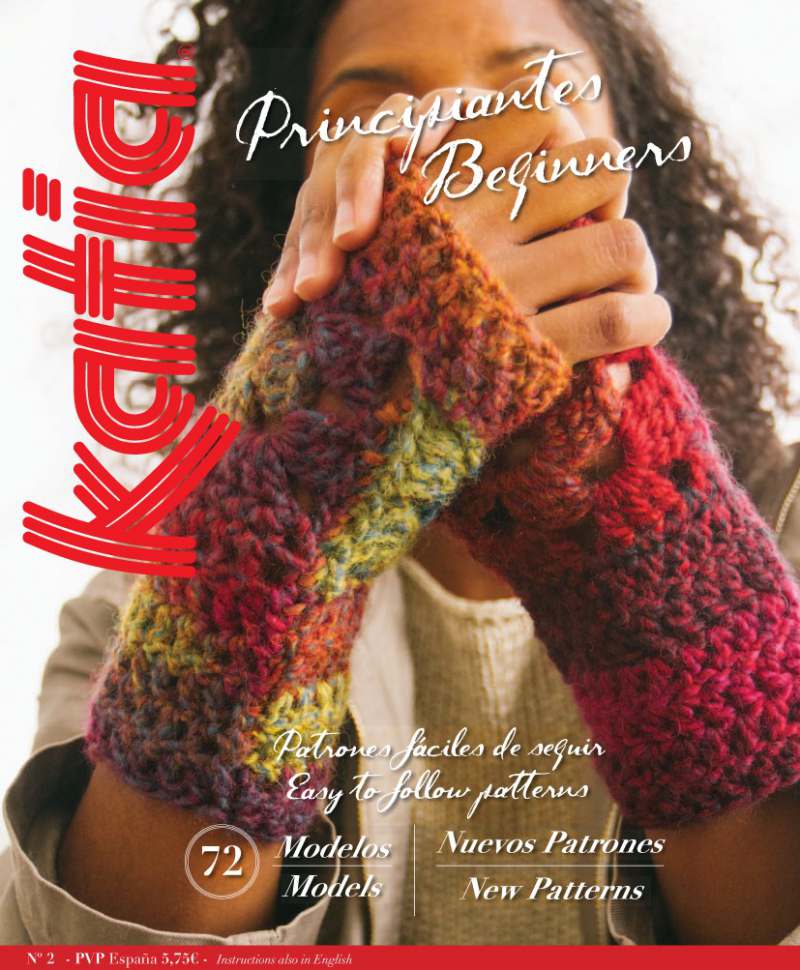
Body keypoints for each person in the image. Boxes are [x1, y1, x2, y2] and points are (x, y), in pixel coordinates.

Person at [3, 0, 800, 947]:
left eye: (531, 89)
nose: (460, 141)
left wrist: (625, 505)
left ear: (628, 154)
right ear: (303, 199)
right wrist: (286, 516)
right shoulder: (153, 590)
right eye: (372, 112)